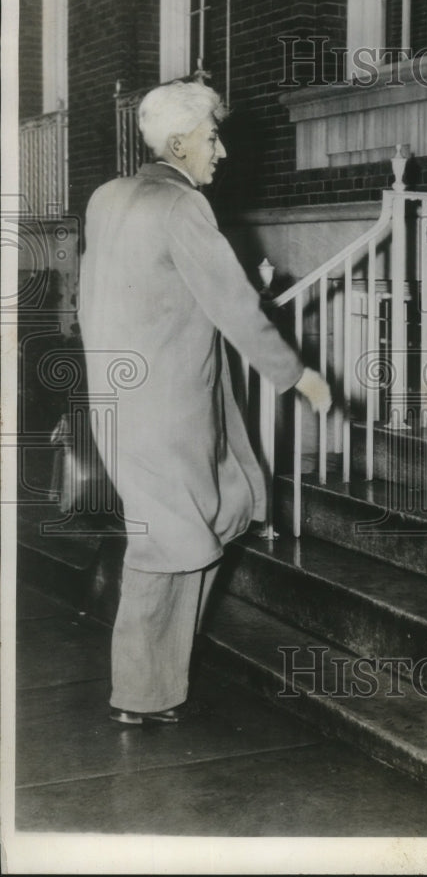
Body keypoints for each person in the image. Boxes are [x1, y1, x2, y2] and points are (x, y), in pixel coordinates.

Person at [78, 80, 331, 725]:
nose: (220, 152)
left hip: (124, 400)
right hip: (169, 411)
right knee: (171, 540)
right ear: (180, 141)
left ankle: (157, 682)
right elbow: (234, 305)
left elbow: (90, 299)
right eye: (213, 137)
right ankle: (140, 692)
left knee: (225, 507)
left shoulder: (107, 198)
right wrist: (296, 374)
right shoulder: (183, 208)